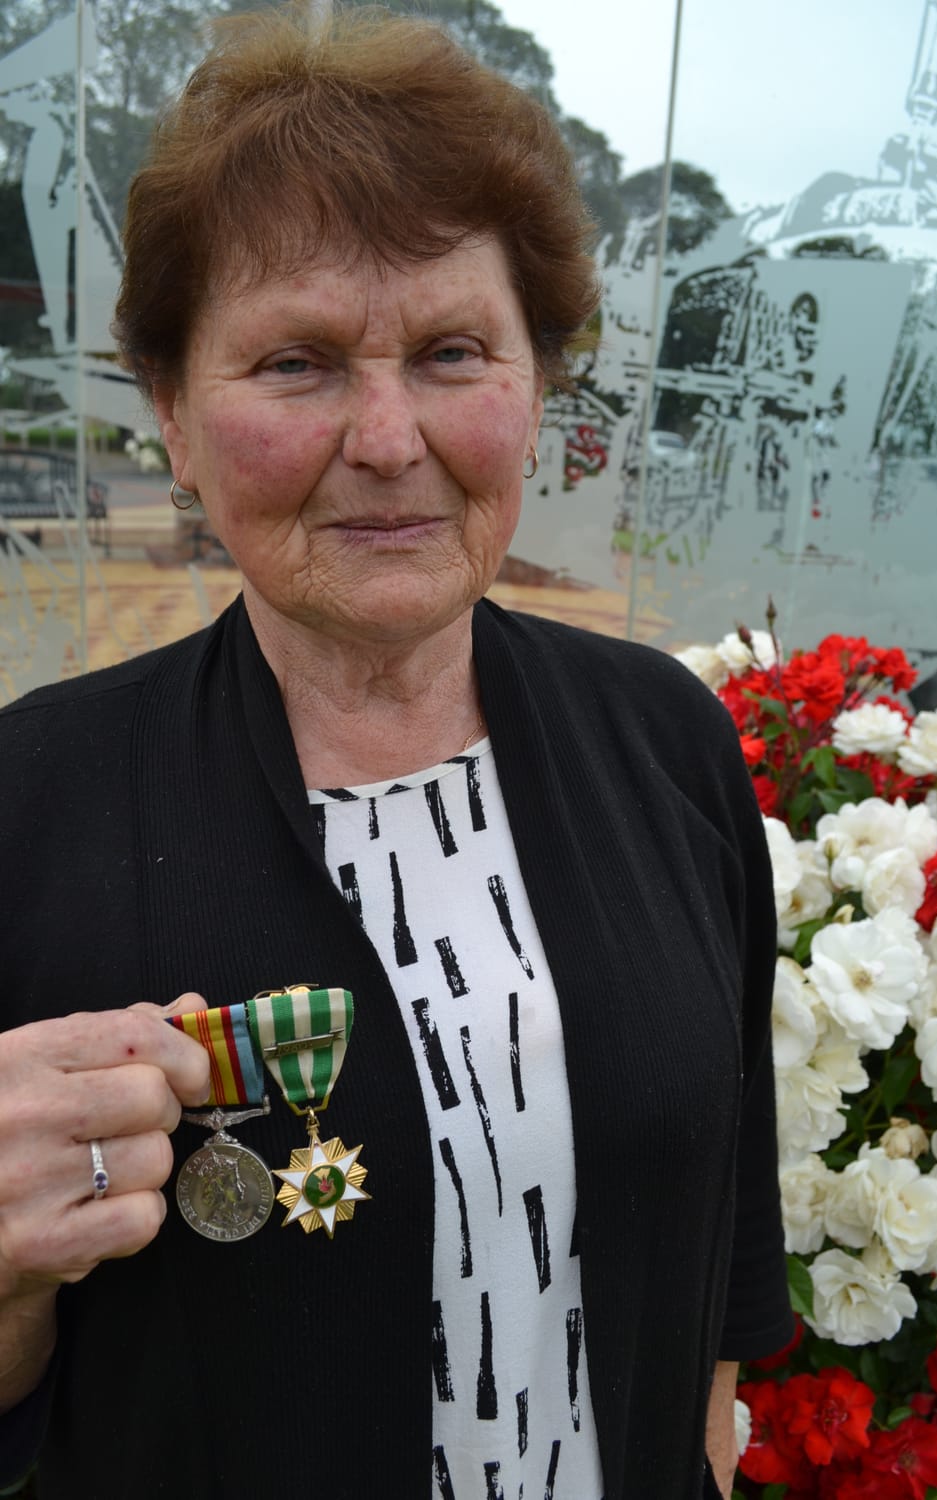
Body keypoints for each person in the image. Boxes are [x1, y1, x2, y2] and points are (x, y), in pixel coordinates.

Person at [0, 6, 792, 1497]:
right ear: (173, 414)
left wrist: (706, 1416)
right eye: (298, 362)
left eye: (449, 351)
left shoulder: (667, 739)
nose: (385, 436)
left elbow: (722, 1177)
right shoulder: (30, 804)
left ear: (536, 390)